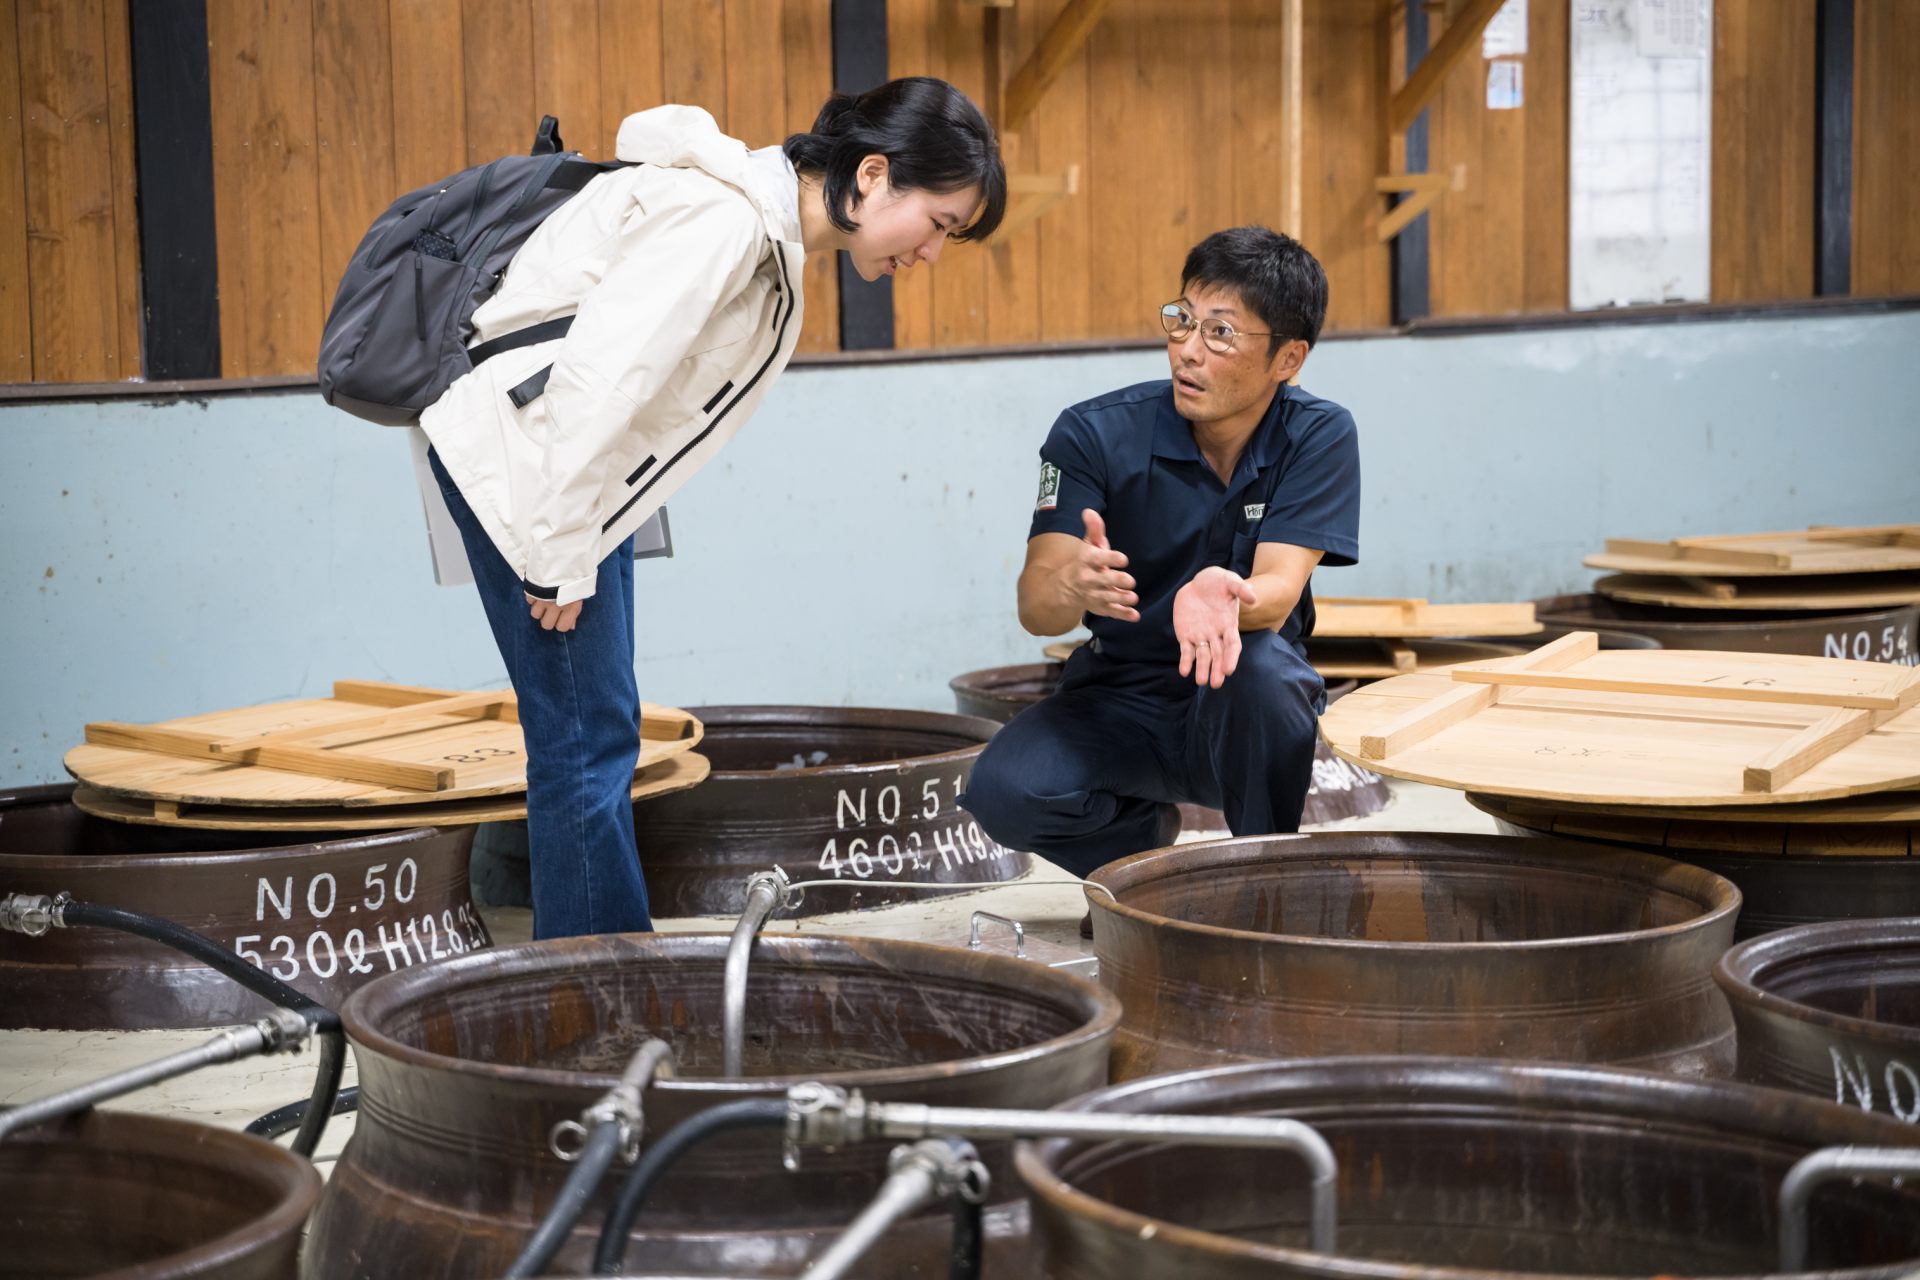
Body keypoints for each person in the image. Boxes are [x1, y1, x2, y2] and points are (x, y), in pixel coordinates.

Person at [418, 78, 1006, 939]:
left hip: (565, 480)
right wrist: (559, 551)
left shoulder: (762, 235)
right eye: (941, 224)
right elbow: (599, 383)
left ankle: (606, 976)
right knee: (584, 747)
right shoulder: (724, 220)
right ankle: (595, 996)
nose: (931, 255)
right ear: (873, 175)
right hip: (533, 474)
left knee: (595, 736)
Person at [963, 226, 1359, 886]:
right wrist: (1073, 583)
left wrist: (1226, 593)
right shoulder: (1094, 432)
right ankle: (1142, 868)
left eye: (1220, 333)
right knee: (1005, 789)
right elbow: (1037, 608)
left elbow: (1280, 588)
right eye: (1183, 319)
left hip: (1238, 702)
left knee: (1265, 672)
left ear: (1288, 359)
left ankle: (1268, 883)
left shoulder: (1316, 435)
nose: (1187, 351)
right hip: (1121, 697)